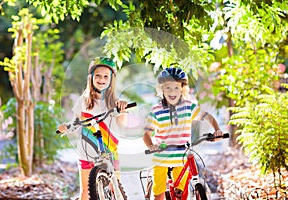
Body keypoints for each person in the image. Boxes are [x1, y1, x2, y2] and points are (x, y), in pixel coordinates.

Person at [143, 67, 223, 200]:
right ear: (162, 89)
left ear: (182, 89)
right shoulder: (156, 110)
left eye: (176, 88)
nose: (172, 91)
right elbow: (146, 134)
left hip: (182, 157)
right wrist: (151, 145)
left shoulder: (188, 107)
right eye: (168, 88)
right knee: (159, 195)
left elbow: (208, 116)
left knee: (181, 194)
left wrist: (217, 129)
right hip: (161, 157)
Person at [57, 57, 128, 200]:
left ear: (111, 79)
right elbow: (76, 121)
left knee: (116, 189)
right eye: (98, 76)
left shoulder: (115, 101)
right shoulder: (84, 100)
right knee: (85, 193)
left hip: (110, 150)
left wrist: (123, 110)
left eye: (105, 76)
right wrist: (66, 127)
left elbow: (122, 124)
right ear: (91, 78)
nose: (101, 79)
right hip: (87, 151)